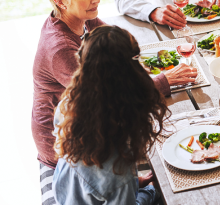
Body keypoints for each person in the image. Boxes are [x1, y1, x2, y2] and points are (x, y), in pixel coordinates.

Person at [33, 0, 197, 205]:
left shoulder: (81, 19)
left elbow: (115, 44)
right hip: (65, 142)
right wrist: (163, 81)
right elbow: (111, 94)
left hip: (82, 127)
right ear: (60, 1)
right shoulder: (60, 49)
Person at [52, 25, 168, 204]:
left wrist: (135, 183)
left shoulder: (66, 106)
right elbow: (115, 187)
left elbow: (93, 180)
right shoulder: (118, 171)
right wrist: (151, 192)